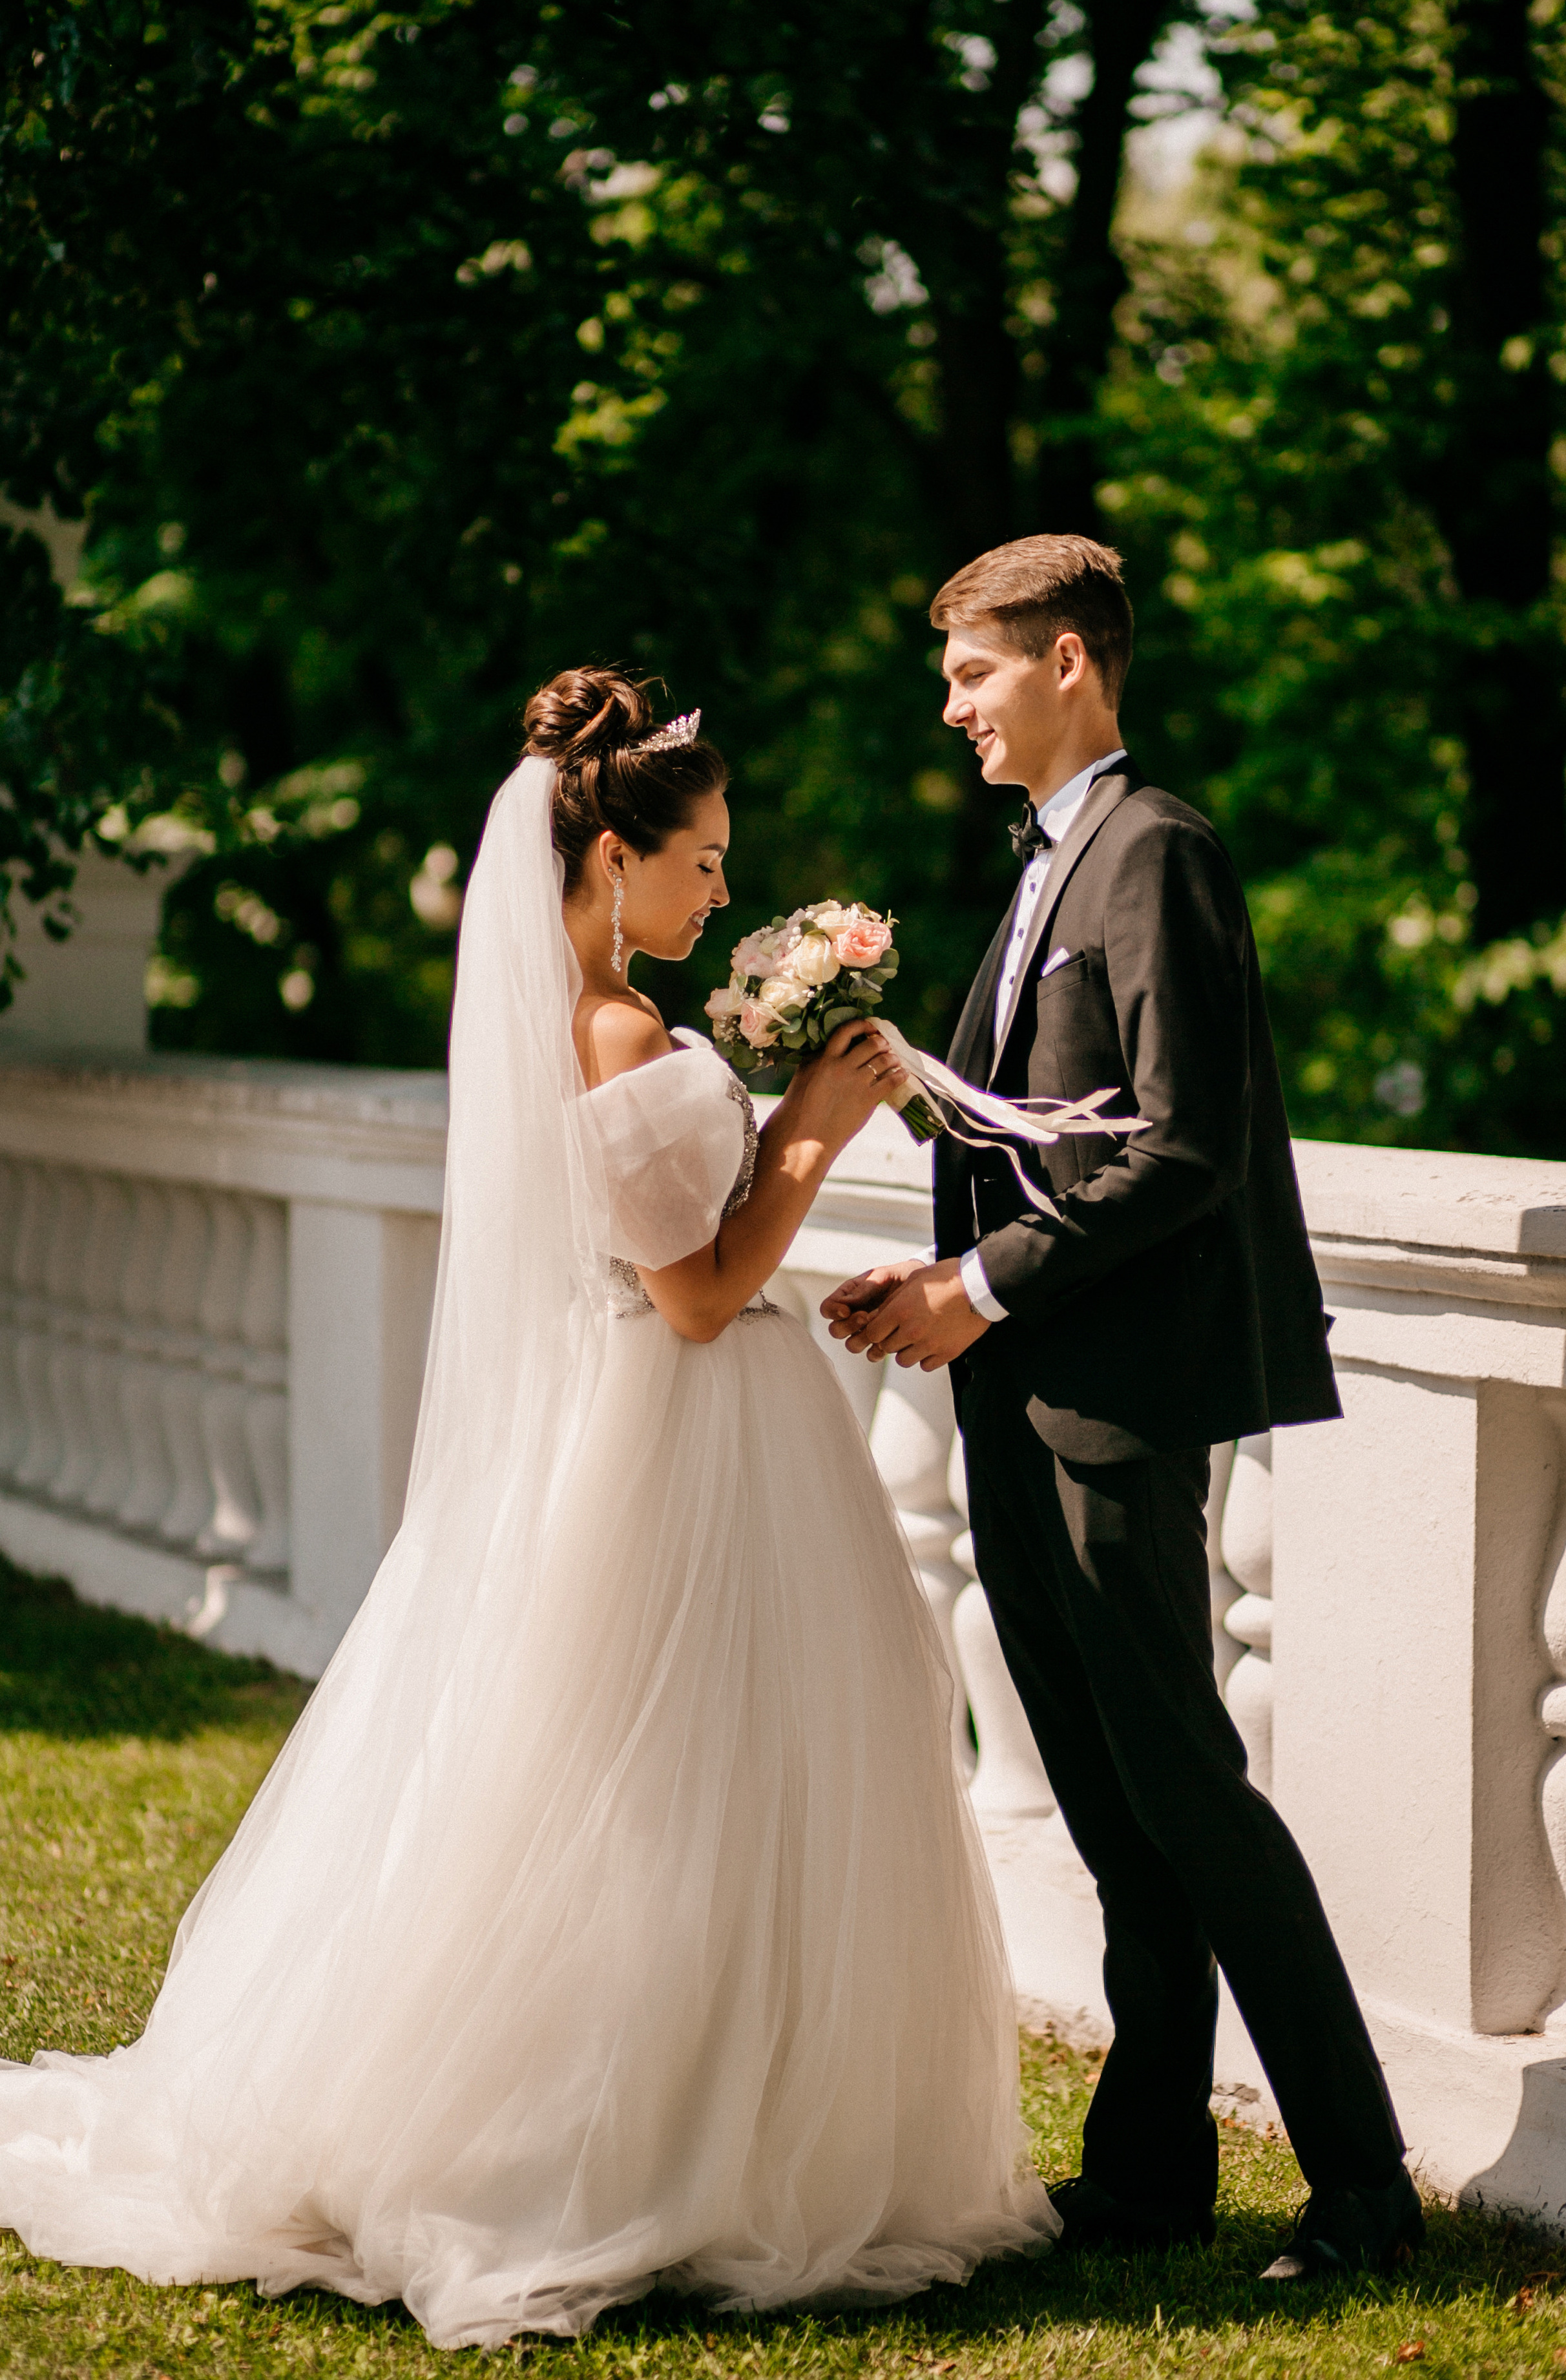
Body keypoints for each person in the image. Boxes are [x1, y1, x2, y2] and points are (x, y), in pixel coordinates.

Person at [0, 669, 1055, 2350]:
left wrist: (782, 1128)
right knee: (669, 1801)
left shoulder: (598, 1013)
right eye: (701, 859)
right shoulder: (615, 1028)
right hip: (679, 1438)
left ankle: (717, 2118)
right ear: (608, 856)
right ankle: (628, 2145)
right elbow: (698, 1295)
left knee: (684, 1793)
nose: (723, 890)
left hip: (667, 1431)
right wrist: (809, 1131)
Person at [822, 536, 1425, 2285]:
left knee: (1191, 1794)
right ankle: (1152, 2171)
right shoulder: (1041, 865)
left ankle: (1365, 2189)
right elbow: (1050, 1127)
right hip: (1020, 1394)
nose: (952, 708)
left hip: (1115, 1403)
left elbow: (1182, 1141)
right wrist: (920, 1231)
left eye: (976, 674)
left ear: (1073, 661)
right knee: (1107, 1806)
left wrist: (978, 1289)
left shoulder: (1155, 851)